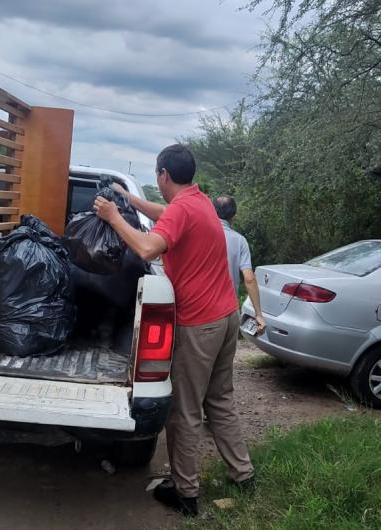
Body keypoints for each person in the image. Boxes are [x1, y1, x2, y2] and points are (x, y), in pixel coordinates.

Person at [94, 144, 254, 516]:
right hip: (226, 317)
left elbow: (148, 249)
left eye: (156, 173)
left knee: (184, 412)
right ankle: (242, 474)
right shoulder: (198, 202)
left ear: (163, 174)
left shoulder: (184, 208)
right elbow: (164, 213)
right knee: (220, 400)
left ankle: (185, 494)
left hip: (200, 325)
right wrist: (128, 199)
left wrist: (115, 217)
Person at [212, 194, 265, 334]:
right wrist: (258, 314)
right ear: (233, 215)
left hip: (204, 312)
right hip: (230, 311)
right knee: (227, 356)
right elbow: (249, 278)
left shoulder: (199, 234)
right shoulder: (240, 240)